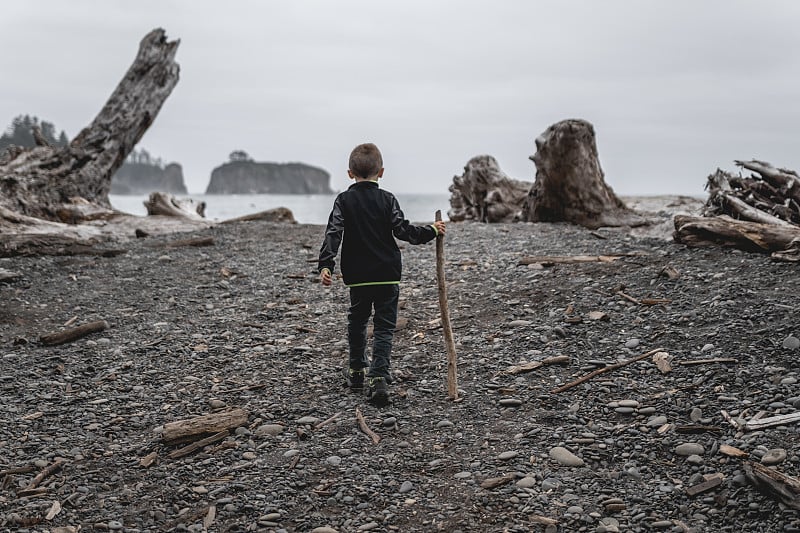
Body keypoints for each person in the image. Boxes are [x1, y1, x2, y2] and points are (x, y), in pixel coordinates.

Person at [318, 143, 446, 406]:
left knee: (357, 322)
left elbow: (334, 232)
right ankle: (378, 378)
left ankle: (356, 372)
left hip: (358, 276)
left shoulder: (343, 200)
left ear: (350, 173)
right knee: (385, 327)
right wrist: (431, 231)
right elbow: (402, 230)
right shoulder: (387, 199)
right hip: (387, 274)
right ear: (382, 172)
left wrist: (326, 264)